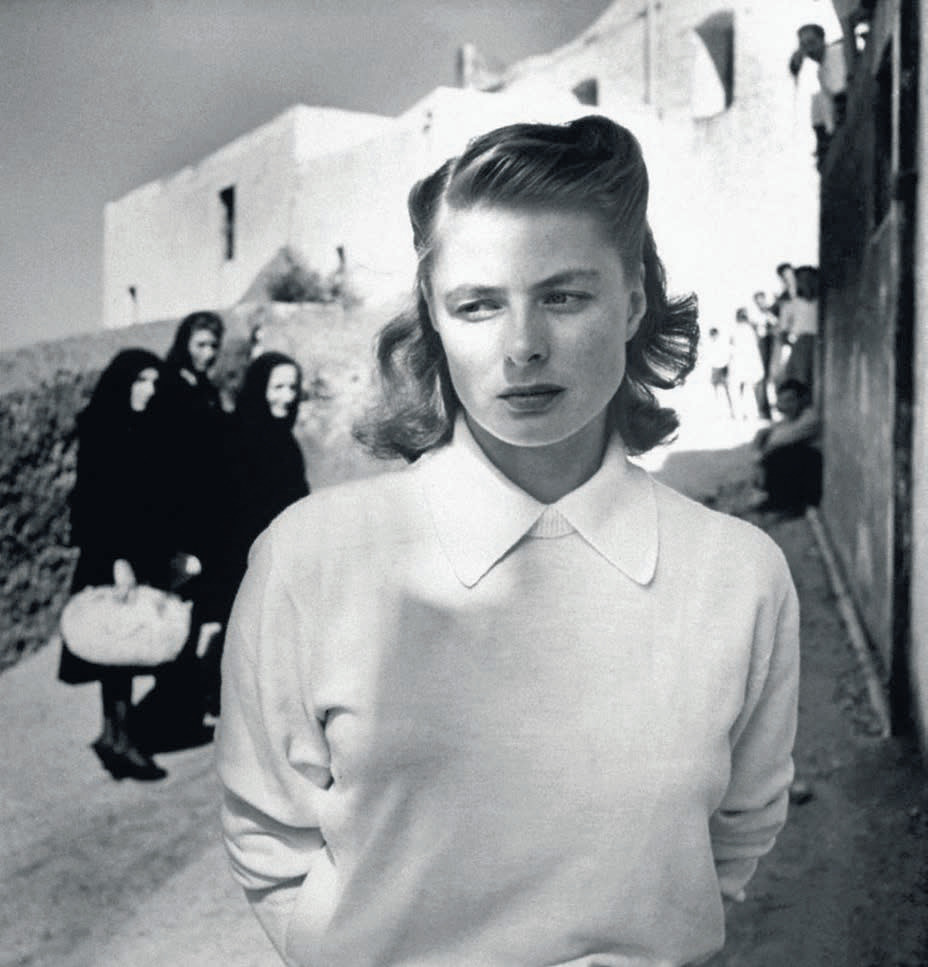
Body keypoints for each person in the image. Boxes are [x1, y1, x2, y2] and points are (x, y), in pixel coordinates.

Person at [217, 115, 799, 967]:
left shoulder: (740, 576)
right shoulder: (309, 560)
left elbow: (736, 833)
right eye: (479, 304)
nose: (523, 347)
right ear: (434, 317)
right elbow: (269, 834)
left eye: (564, 296)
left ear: (633, 302)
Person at [59, 349, 175, 781]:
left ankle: (114, 736)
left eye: (154, 382)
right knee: (117, 648)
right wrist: (117, 561)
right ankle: (123, 742)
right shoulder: (103, 429)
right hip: (111, 554)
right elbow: (93, 501)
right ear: (122, 382)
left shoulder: (140, 425)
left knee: (120, 650)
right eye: (140, 381)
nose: (149, 390)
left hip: (134, 551)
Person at [136, 310, 228, 748]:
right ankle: (167, 718)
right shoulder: (169, 390)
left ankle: (183, 712)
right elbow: (159, 469)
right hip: (176, 527)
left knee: (193, 621)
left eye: (213, 346)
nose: (208, 354)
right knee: (173, 621)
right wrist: (172, 543)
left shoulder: (205, 390)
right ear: (184, 344)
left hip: (206, 524)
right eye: (200, 345)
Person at [203, 352, 311, 715]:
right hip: (244, 558)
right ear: (259, 388)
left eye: (292, 387)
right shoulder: (240, 436)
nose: (287, 396)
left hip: (274, 557)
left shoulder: (282, 438)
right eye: (278, 387)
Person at [751, 379, 822, 515]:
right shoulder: (790, 419)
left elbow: (777, 439)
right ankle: (767, 494)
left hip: (810, 473)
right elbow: (764, 433)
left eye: (790, 400)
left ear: (802, 399)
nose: (786, 406)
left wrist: (762, 450)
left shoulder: (810, 417)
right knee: (768, 450)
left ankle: (788, 503)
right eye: (782, 401)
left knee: (778, 455)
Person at [789, 24, 847, 168]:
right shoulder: (820, 71)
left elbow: (840, 92)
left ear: (822, 40)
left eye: (812, 43)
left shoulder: (835, 53)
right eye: (804, 45)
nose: (809, 50)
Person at [783, 265, 819, 395]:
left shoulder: (822, 302)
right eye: (802, 280)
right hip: (800, 345)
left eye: (810, 279)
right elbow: (784, 330)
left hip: (819, 344)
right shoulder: (791, 304)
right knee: (800, 380)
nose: (807, 283)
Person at [729, 308, 765, 421]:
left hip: (746, 362)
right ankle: (743, 414)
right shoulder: (739, 329)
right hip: (742, 362)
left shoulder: (748, 329)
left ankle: (746, 414)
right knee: (743, 388)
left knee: (746, 388)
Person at [750, 290, 778, 419]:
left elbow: (776, 324)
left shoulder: (771, 312)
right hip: (762, 345)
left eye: (762, 301)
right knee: (763, 377)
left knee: (771, 377)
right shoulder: (755, 316)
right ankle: (764, 410)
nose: (761, 304)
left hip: (772, 344)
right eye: (758, 302)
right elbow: (758, 331)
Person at [706, 325, 734, 418]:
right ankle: (719, 412)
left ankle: (730, 412)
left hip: (722, 368)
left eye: (714, 335)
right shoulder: (712, 344)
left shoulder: (720, 344)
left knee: (726, 391)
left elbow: (729, 355)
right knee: (717, 392)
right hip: (716, 369)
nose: (713, 337)